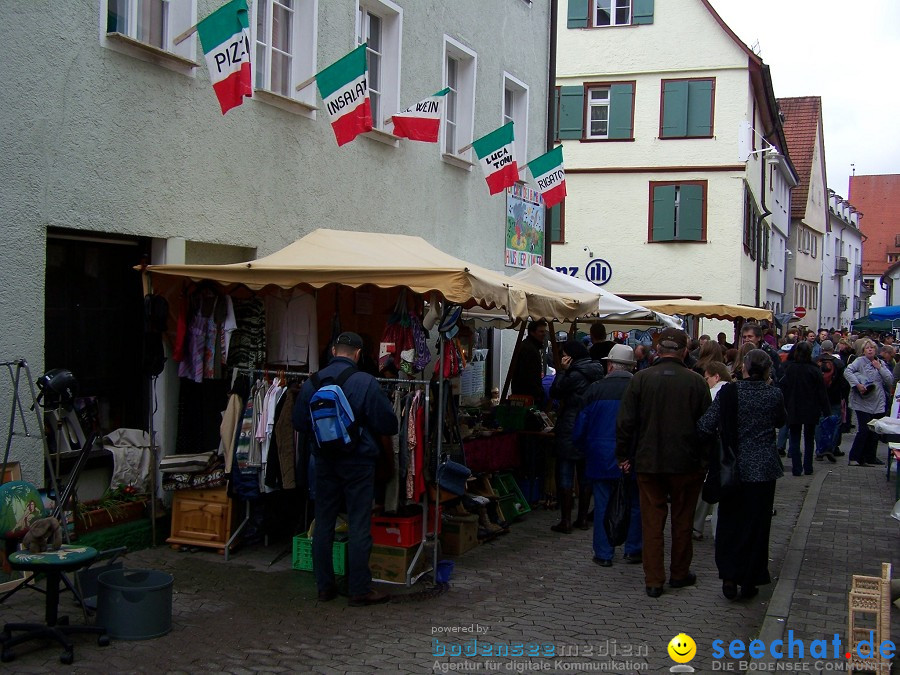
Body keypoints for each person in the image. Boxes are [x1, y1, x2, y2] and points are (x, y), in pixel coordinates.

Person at [292, 332, 399, 606]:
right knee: (359, 523)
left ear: (333, 350)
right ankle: (360, 589)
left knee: (324, 522)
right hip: (359, 463)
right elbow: (389, 425)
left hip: (324, 462)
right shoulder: (365, 382)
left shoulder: (311, 382)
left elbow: (300, 424)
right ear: (358, 354)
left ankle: (324, 587)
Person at [616, 328, 711, 598]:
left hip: (649, 461)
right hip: (686, 463)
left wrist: (623, 456)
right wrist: (704, 461)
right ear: (684, 351)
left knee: (652, 522)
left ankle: (654, 580)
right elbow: (706, 427)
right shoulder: (696, 382)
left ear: (658, 350)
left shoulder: (641, 379)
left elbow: (625, 423)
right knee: (682, 521)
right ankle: (679, 573)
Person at [697, 349, 787, 600]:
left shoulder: (729, 392)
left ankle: (729, 574)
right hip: (763, 469)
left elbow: (705, 425)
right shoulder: (773, 394)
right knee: (757, 525)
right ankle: (751, 577)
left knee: (729, 523)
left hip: (732, 468)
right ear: (767, 370)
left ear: (744, 368)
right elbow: (781, 421)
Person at [573, 344, 641, 566]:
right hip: (632, 457)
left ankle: (604, 553)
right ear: (632, 366)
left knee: (602, 504)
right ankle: (633, 549)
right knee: (633, 503)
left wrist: (582, 447)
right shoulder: (640, 389)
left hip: (600, 457)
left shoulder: (595, 389)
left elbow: (581, 425)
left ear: (610, 365)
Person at [549, 340, 605, 533]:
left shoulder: (574, 374)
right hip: (591, 426)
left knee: (565, 472)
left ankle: (565, 521)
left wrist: (562, 371)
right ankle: (582, 518)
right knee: (585, 475)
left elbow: (555, 392)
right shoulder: (597, 371)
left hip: (571, 425)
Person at [692, 360, 732, 541]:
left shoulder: (713, 393)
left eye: (707, 378)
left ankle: (696, 526)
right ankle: (719, 532)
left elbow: (706, 423)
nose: (705, 381)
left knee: (706, 488)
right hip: (729, 449)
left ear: (716, 376)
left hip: (713, 447)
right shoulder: (735, 391)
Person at [778, 341, 830, 476]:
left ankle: (796, 468)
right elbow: (822, 392)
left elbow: (783, 388)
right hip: (811, 408)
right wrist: (826, 410)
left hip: (794, 407)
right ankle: (808, 467)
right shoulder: (814, 370)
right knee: (809, 438)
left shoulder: (790, 369)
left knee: (794, 438)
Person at [844, 338, 894, 466]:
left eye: (872, 347)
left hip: (878, 402)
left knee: (875, 431)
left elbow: (889, 380)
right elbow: (847, 371)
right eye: (867, 348)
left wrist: (880, 368)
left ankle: (869, 457)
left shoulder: (880, 363)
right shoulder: (859, 362)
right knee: (864, 430)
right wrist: (857, 384)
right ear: (863, 351)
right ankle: (854, 457)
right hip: (863, 401)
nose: (870, 349)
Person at [814, 340, 847, 461]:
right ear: (832, 349)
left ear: (822, 348)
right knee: (835, 423)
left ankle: (819, 449)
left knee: (818, 423)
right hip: (834, 397)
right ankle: (830, 448)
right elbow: (844, 383)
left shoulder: (815, 361)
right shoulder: (838, 363)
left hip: (819, 398)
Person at [511, 320, 548, 407]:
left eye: (544, 331)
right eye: (541, 331)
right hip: (527, 395)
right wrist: (539, 394)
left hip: (523, 393)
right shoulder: (530, 349)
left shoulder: (529, 346)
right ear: (532, 332)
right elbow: (530, 375)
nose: (544, 334)